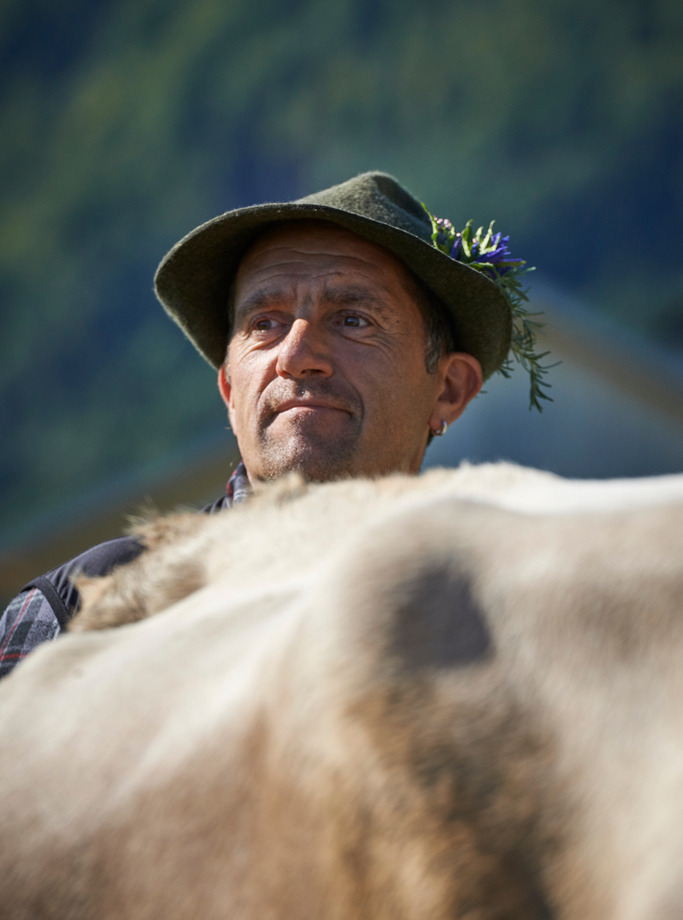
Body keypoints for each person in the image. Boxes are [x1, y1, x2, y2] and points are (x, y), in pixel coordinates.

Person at [0, 170, 545, 679]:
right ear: (231, 390)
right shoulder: (75, 615)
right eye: (266, 323)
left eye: (353, 319)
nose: (297, 354)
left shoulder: (519, 614)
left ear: (448, 389)